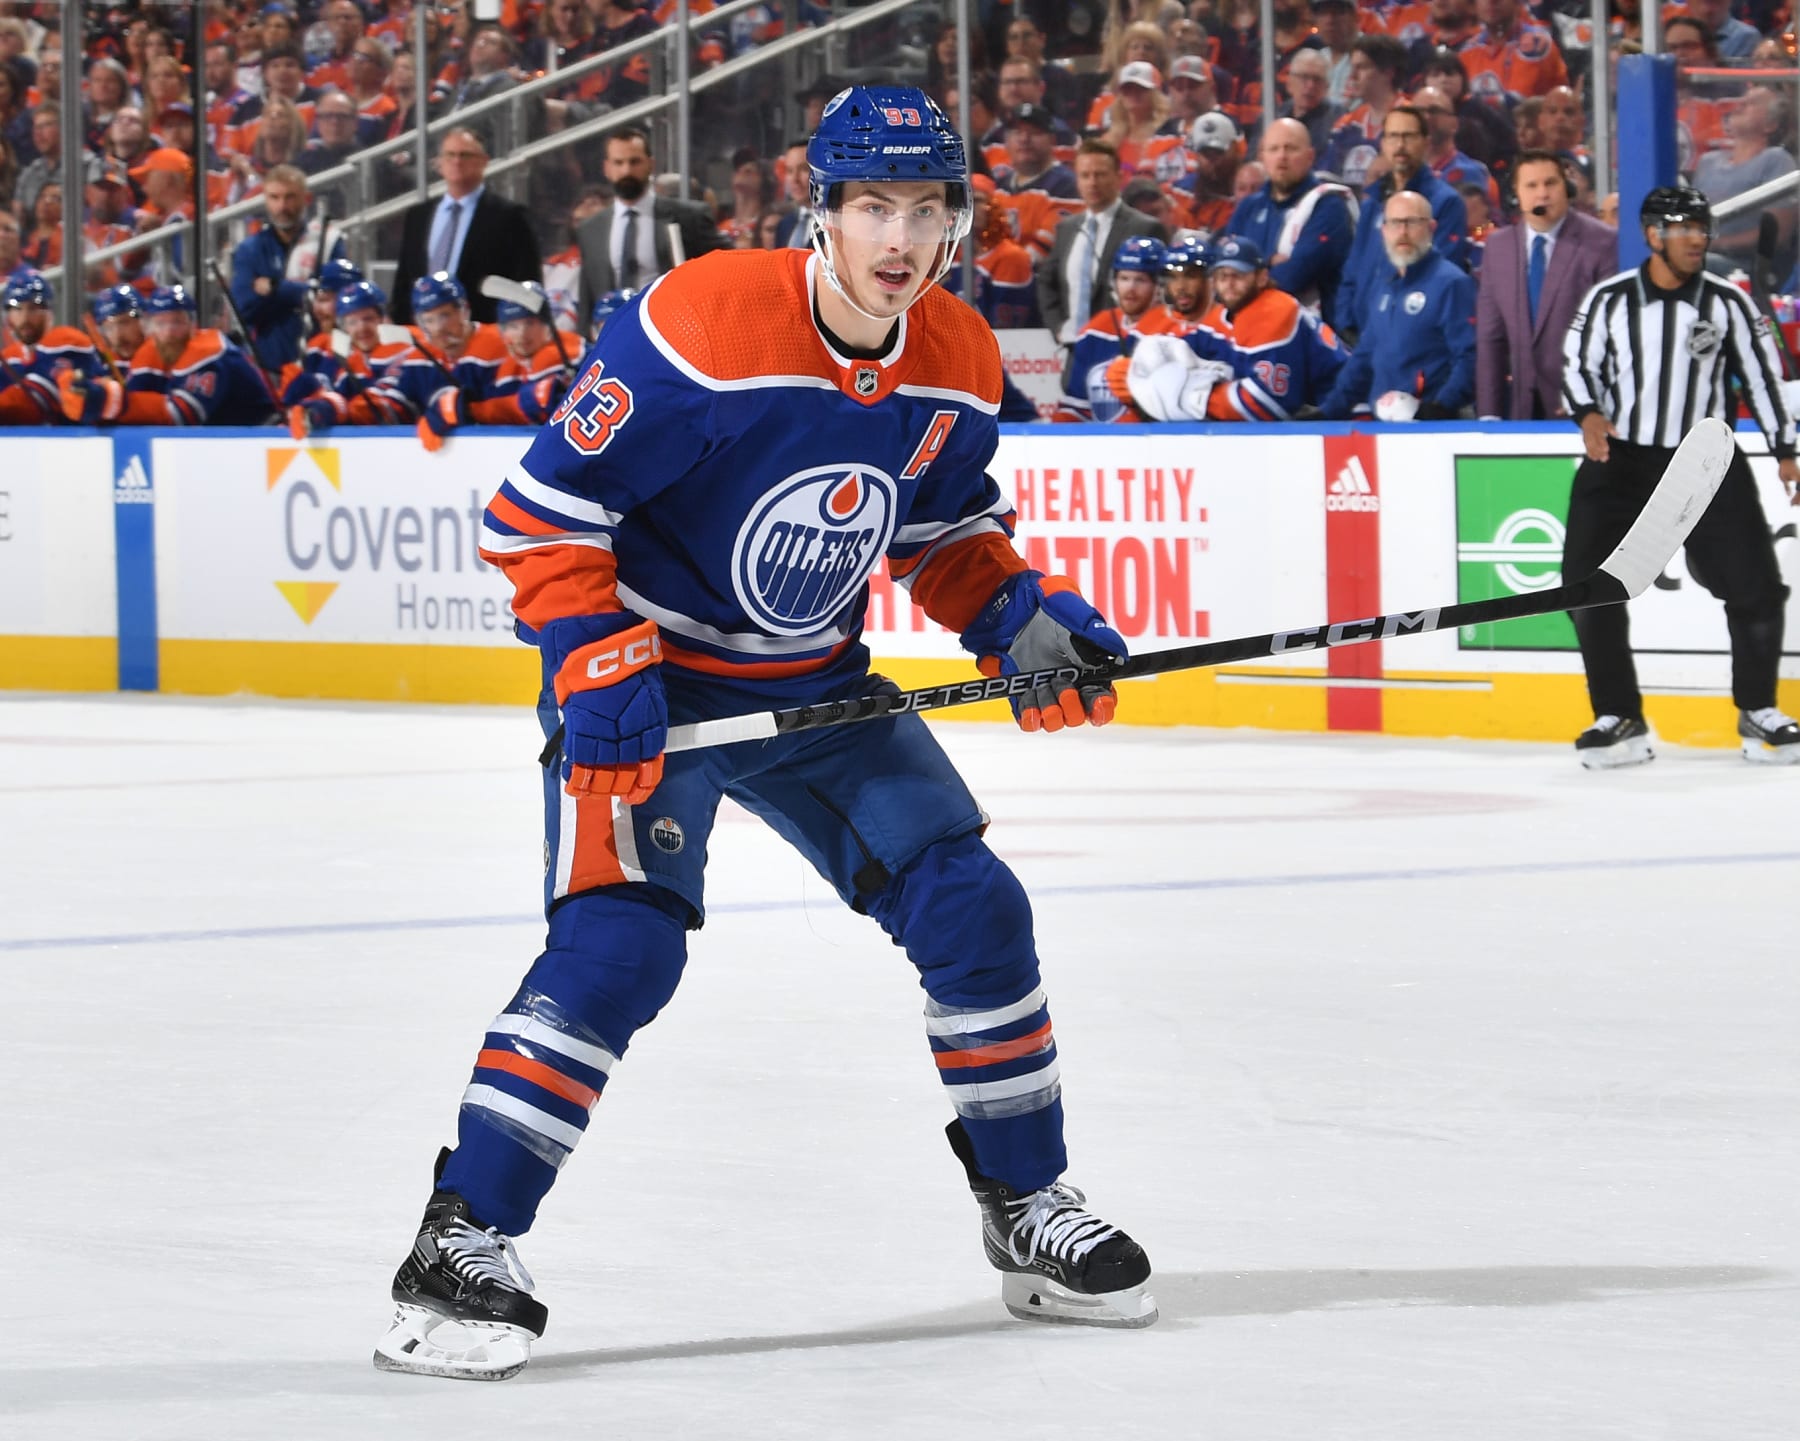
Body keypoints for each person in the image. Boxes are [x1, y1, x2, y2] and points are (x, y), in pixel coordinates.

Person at [371, 85, 1157, 1383]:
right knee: (619, 947)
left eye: (925, 210)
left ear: (957, 222)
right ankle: (462, 1238)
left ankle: (1027, 1204)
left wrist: (1019, 614)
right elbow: (539, 513)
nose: (898, 238)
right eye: (871, 208)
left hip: (816, 688)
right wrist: (595, 656)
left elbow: (937, 526)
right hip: (653, 687)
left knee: (974, 905)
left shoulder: (957, 355)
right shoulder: (704, 323)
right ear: (823, 213)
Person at [1558, 187, 1799, 768]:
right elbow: (1575, 365)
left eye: (1702, 227)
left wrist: (1786, 450)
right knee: (1588, 590)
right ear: (1652, 235)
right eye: (1683, 227)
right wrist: (1588, 415)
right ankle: (1619, 716)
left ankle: (1757, 710)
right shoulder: (1609, 300)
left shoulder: (1729, 303)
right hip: (1620, 462)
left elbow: (1764, 378)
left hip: (1705, 463)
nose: (1697, 238)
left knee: (1756, 589)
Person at [1123, 236, 1349, 421]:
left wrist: (1193, 396)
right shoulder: (1227, 314)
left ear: (1261, 278)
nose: (1229, 284)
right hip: (1322, 420)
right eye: (1222, 276)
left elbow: (1263, 405)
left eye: (1238, 276)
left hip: (1350, 418)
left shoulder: (1274, 310)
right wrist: (1134, 373)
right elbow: (1194, 348)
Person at [1475, 149, 1617, 421]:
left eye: (1550, 183)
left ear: (1567, 187)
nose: (1542, 194)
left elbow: (1610, 333)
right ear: (1516, 193)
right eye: (1531, 185)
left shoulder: (1602, 242)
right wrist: (1489, 414)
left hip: (1583, 410)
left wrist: (1590, 399)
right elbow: (1491, 337)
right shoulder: (1498, 246)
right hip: (1521, 408)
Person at [1317, 189, 1475, 420]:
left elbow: (1470, 356)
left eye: (1412, 223)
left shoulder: (1451, 283)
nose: (1403, 232)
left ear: (1431, 228)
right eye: (1395, 223)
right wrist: (1329, 410)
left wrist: (1443, 406)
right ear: (1384, 231)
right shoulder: (1384, 284)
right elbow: (1364, 356)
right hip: (1383, 425)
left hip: (1434, 424)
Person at [1337, 105, 1470, 336]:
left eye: (1408, 136)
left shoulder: (1445, 202)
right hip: (1360, 339)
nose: (1400, 145)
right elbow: (1352, 271)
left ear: (1426, 142)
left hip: (1410, 338)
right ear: (1383, 144)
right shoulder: (1372, 203)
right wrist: (1345, 323)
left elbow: (1441, 278)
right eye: (1393, 136)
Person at [63, 284, 277, 427]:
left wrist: (110, 400)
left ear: (192, 324)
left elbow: (182, 414)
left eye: (176, 322)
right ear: (151, 326)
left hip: (263, 440)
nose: (168, 333)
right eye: (161, 323)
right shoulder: (151, 354)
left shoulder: (206, 349)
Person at [391, 128, 543, 325]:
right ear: (438, 163)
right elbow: (404, 281)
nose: (456, 161)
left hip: (484, 335)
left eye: (465, 155)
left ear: (484, 161)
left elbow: (526, 282)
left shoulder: (509, 217)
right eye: (450, 155)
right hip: (423, 337)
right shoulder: (418, 216)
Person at [574, 126, 724, 322]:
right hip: (614, 335)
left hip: (673, 330)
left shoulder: (689, 217)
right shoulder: (590, 229)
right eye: (618, 163)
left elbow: (723, 269)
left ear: (650, 164)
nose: (626, 170)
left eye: (634, 162)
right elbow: (588, 297)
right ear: (607, 168)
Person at [1224, 117, 1356, 328]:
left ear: (1310, 156)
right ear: (1262, 157)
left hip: (1313, 335)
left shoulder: (1328, 206)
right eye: (1274, 149)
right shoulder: (1249, 207)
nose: (1282, 157)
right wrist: (1269, 264)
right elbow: (1224, 265)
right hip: (1249, 327)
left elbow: (1293, 277)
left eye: (1291, 148)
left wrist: (1244, 279)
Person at [1039, 138, 1168, 348]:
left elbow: (1160, 291)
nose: (1092, 182)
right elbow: (1046, 282)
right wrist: (1059, 328)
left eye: (1100, 174)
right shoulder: (1067, 228)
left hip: (1126, 349)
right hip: (1074, 350)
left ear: (1118, 177)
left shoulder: (1145, 228)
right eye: (1085, 175)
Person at [230, 165, 350, 372]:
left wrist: (275, 288)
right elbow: (244, 309)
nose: (282, 206)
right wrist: (303, 292)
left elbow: (335, 301)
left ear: (306, 198)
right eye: (274, 198)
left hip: (322, 363)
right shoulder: (250, 250)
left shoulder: (327, 241)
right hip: (268, 365)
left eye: (290, 197)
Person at [1054, 234, 1176, 421]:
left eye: (1140, 280)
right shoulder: (1095, 331)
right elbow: (1076, 406)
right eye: (1124, 278)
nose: (1130, 288)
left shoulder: (1173, 329)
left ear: (1159, 286)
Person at [0, 271, 105, 424]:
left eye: (33, 308)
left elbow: (34, 403)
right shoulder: (9, 357)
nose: (25, 318)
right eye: (17, 309)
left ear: (49, 312)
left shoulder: (68, 342)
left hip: (81, 440)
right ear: (8, 316)